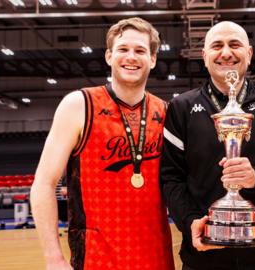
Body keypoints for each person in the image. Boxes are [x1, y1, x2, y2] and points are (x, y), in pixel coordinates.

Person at [160, 21, 255, 270]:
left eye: (234, 44)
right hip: (203, 258)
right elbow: (171, 179)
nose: (226, 52)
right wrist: (191, 221)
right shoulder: (181, 108)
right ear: (205, 56)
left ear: (248, 54)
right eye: (217, 45)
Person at [30, 17, 174, 270]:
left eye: (140, 50)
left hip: (156, 255)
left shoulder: (165, 112)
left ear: (152, 59)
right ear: (109, 56)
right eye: (123, 49)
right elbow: (44, 183)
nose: (131, 57)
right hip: (96, 258)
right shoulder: (79, 105)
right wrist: (53, 258)